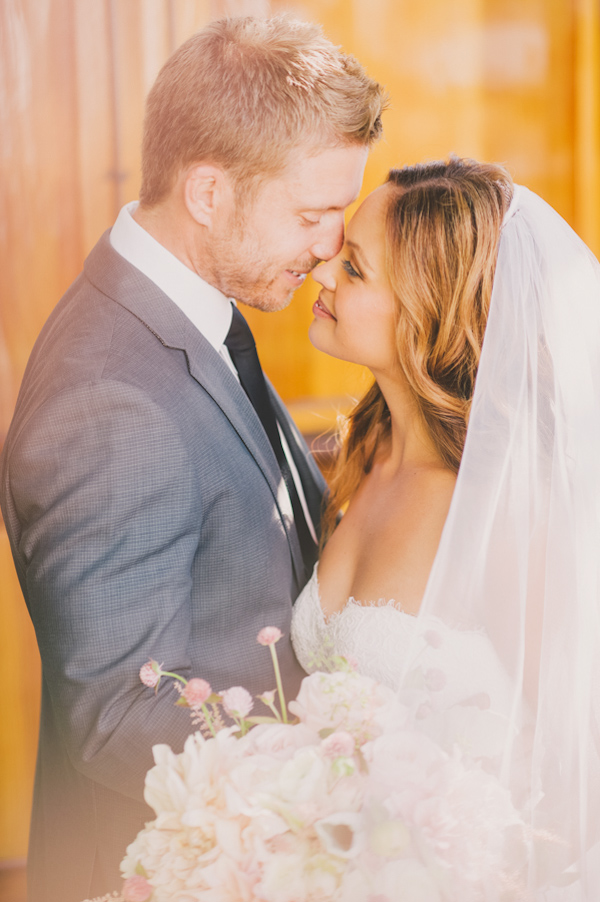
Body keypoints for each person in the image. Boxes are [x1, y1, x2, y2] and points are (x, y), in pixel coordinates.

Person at [0, 15, 386, 902]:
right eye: (314, 214)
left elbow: (225, 474)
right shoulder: (112, 404)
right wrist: (357, 772)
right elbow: (115, 718)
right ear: (209, 192)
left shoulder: (188, 303)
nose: (332, 248)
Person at [291, 156, 600, 896]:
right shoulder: (360, 457)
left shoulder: (505, 511)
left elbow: (578, 760)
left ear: (427, 312)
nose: (322, 275)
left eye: (356, 270)